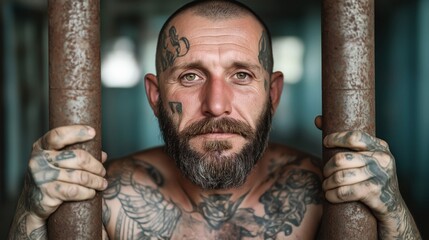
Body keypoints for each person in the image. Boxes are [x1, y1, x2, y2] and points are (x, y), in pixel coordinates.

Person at [9, 0, 421, 239]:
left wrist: (395, 214)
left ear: (273, 94)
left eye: (241, 76)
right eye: (190, 76)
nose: (217, 104)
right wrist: (28, 215)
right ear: (155, 96)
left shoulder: (328, 195)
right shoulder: (104, 198)